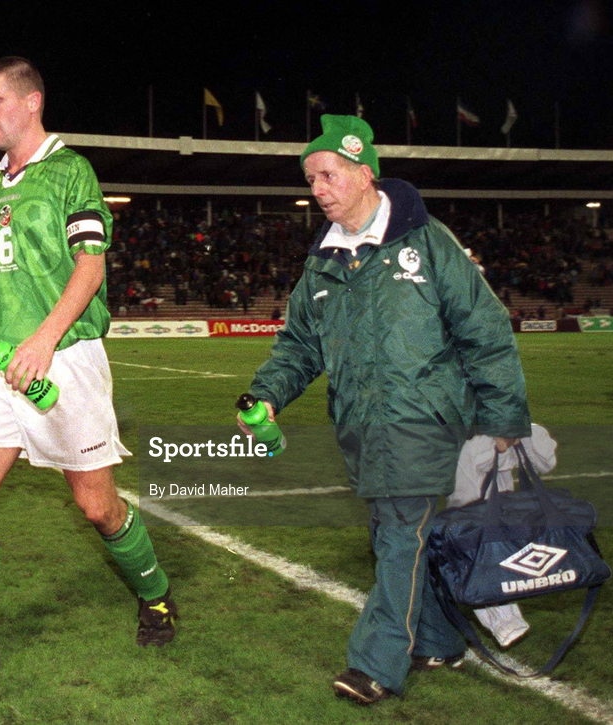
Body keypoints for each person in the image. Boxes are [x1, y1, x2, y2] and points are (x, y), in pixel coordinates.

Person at [0, 57, 176, 688]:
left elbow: (91, 268)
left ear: (31, 102)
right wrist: (7, 344)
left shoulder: (71, 171)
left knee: (97, 506)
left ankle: (156, 593)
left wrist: (45, 340)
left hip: (65, 359)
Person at [239, 115, 530, 706]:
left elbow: (486, 329)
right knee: (397, 536)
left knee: (401, 535)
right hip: (361, 430)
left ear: (364, 171)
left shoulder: (427, 242)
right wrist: (267, 393)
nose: (316, 188)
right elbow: (299, 345)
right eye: (310, 179)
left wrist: (503, 418)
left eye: (327, 174)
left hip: (428, 421)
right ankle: (440, 641)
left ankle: (374, 665)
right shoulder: (321, 264)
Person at [450, 424, 558, 648]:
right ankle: (503, 620)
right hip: (476, 513)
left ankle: (503, 619)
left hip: (498, 514)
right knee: (474, 538)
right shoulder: (471, 445)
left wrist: (515, 433)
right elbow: (465, 500)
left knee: (480, 539)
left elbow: (546, 462)